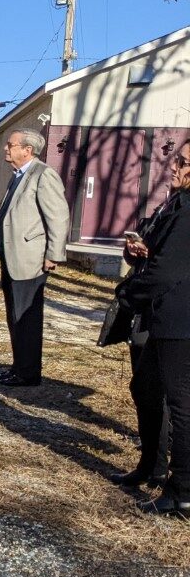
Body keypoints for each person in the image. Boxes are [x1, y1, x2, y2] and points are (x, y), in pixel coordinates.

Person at [117, 142, 190, 514]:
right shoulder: (173, 203)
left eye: (183, 161)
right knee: (145, 387)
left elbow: (167, 271)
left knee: (181, 405)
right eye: (176, 159)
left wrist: (128, 293)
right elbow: (159, 251)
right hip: (164, 317)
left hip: (181, 321)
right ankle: (152, 466)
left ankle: (182, 491)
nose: (174, 165)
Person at [0, 126, 70, 387]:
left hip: (30, 260)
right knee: (15, 316)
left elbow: (58, 216)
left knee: (27, 318)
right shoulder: (18, 176)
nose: (6, 148)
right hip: (12, 257)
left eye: (11, 145)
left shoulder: (44, 175)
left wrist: (53, 254)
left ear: (27, 150)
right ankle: (18, 367)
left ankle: (28, 373)